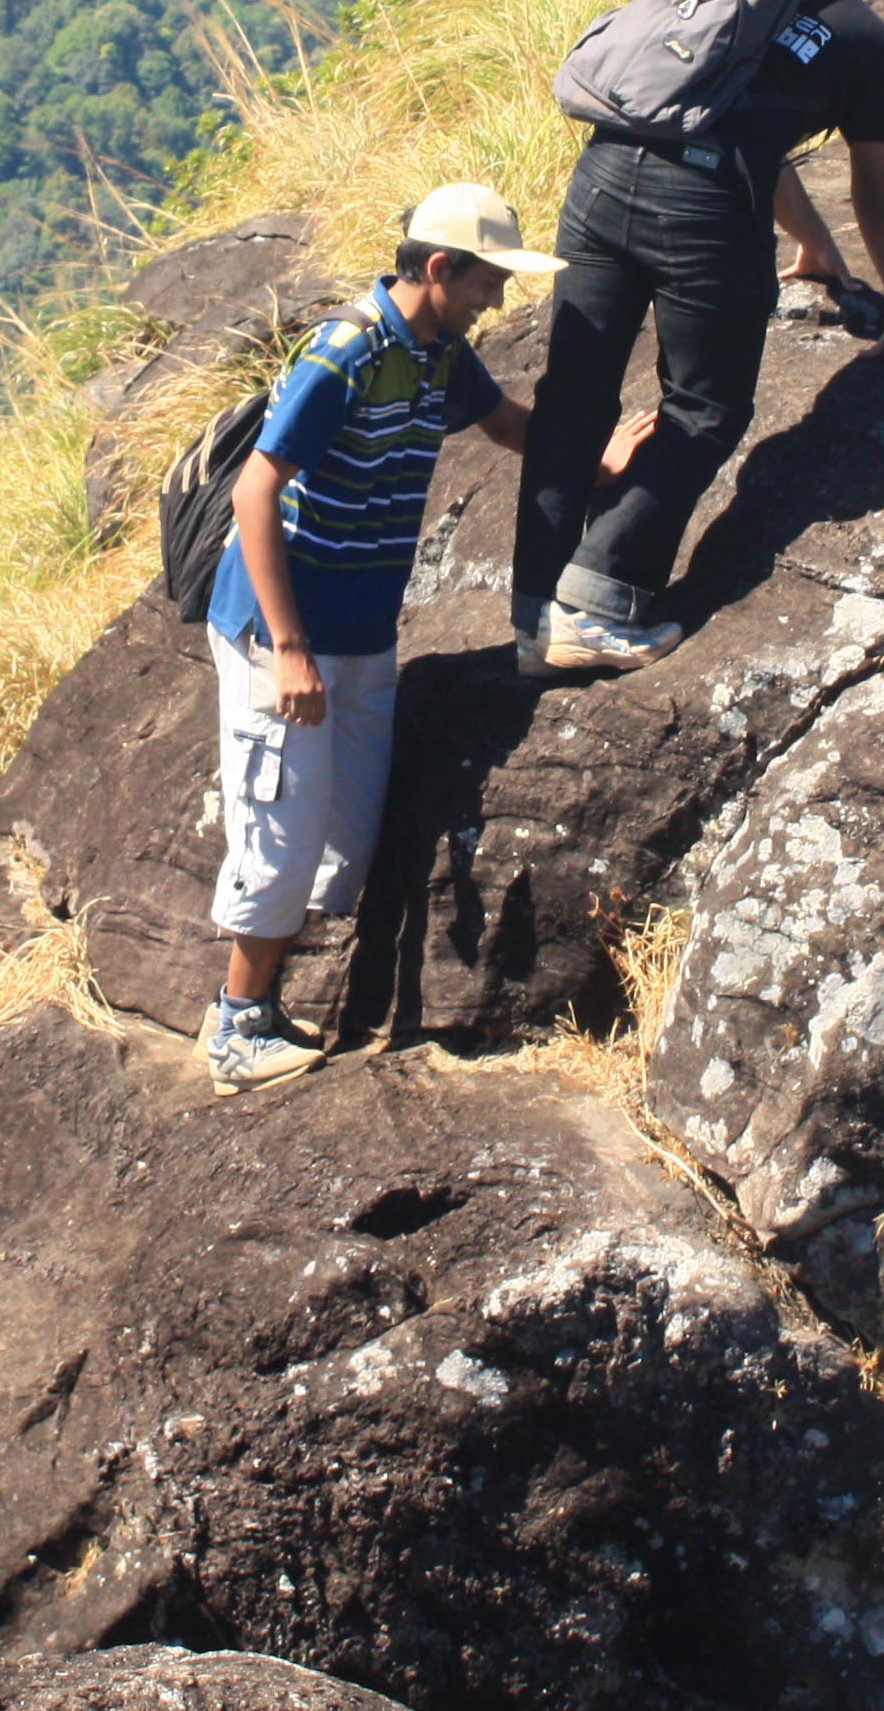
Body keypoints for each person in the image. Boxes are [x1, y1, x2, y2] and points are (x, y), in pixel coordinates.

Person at [512, 0, 884, 676]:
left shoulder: (720, 0)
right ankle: (597, 597)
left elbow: (743, 132)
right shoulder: (862, 37)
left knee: (573, 396)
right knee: (704, 409)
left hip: (601, 177)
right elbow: (877, 188)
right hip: (704, 211)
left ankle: (533, 609)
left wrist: (812, 243)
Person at [202, 181, 556, 1093]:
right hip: (284, 636)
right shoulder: (348, 354)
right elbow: (256, 489)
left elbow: (506, 423)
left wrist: (599, 457)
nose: (497, 301)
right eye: (487, 281)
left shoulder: (438, 354)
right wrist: (287, 649)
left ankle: (282, 994)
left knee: (344, 832)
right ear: (440, 269)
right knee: (280, 827)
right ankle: (237, 1023)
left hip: (363, 629)